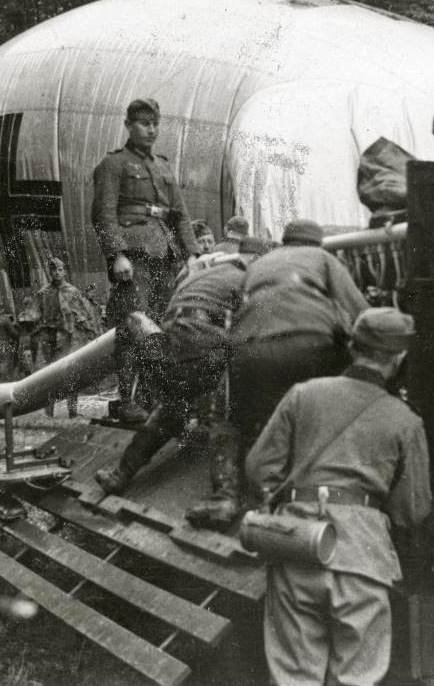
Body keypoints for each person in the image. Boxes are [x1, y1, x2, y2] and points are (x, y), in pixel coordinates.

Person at [244, 307, 432, 686]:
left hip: (297, 546)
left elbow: (259, 468)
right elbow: (413, 509)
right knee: (358, 677)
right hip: (361, 557)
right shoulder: (404, 420)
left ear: (352, 347)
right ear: (399, 358)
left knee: (295, 677)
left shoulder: (302, 395)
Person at [187, 218, 370, 530]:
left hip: (248, 351)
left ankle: (225, 498)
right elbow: (360, 313)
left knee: (231, 419)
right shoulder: (324, 259)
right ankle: (309, 500)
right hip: (308, 346)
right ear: (316, 243)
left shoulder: (261, 264)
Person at [95, 236, 274, 495]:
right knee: (225, 413)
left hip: (164, 355)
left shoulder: (205, 273)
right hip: (202, 356)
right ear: (259, 260)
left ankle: (119, 475)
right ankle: (224, 494)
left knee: (170, 410)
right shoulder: (252, 280)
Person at [92, 98, 200, 423]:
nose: (151, 129)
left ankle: (152, 398)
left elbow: (180, 215)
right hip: (134, 255)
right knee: (133, 326)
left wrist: (193, 254)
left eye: (155, 123)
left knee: (161, 328)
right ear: (128, 125)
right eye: (143, 123)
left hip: (165, 254)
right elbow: (104, 214)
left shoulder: (164, 166)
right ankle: (127, 401)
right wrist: (116, 255)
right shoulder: (113, 165)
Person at [33, 257, 99, 418]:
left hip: (68, 338)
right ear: (50, 272)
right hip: (49, 338)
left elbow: (83, 314)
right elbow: (36, 315)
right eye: (54, 270)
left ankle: (72, 411)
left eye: (60, 269)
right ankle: (49, 412)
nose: (57, 273)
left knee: (71, 372)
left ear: (64, 271)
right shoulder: (43, 293)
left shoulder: (73, 292)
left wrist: (90, 331)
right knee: (50, 375)